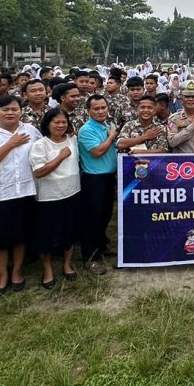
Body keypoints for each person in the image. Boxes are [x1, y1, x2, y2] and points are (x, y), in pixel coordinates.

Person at [0, 95, 41, 295]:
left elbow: (41, 152)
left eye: (14, 109)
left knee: (20, 234)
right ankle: (2, 273)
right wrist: (11, 143)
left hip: (24, 191)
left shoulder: (30, 130)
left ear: (21, 111)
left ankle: (17, 271)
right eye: (5, 110)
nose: (11, 113)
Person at [29, 107, 80, 288]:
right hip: (48, 198)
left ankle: (67, 264)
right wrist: (60, 157)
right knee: (46, 235)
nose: (60, 125)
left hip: (72, 193)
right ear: (47, 124)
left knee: (70, 231)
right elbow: (39, 172)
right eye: (56, 122)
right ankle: (48, 269)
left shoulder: (73, 139)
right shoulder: (40, 145)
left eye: (63, 122)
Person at [77, 94, 118, 274]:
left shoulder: (107, 125)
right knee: (92, 220)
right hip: (94, 179)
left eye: (103, 107)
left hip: (108, 177)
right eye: (96, 109)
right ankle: (90, 257)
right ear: (88, 111)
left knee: (105, 215)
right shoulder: (86, 130)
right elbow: (97, 152)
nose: (101, 111)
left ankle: (101, 246)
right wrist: (111, 137)